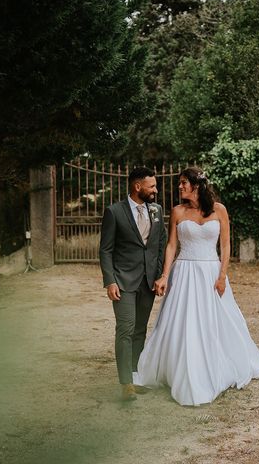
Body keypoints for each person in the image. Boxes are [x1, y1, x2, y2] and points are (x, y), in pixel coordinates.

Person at [133, 167, 259, 406]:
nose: (179, 187)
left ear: (197, 185)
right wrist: (164, 275)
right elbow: (172, 246)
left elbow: (225, 246)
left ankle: (217, 363)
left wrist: (222, 275)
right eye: (179, 183)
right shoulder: (177, 211)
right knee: (183, 323)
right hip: (184, 273)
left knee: (216, 320)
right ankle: (181, 369)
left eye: (183, 183)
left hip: (211, 272)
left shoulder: (219, 210)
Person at [99, 167, 168, 401]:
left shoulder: (157, 210)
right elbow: (105, 249)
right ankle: (125, 383)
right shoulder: (114, 212)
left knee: (140, 330)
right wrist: (110, 281)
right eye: (152, 186)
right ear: (137, 186)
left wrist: (158, 276)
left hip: (148, 282)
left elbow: (160, 244)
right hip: (124, 281)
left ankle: (136, 376)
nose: (155, 191)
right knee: (126, 329)